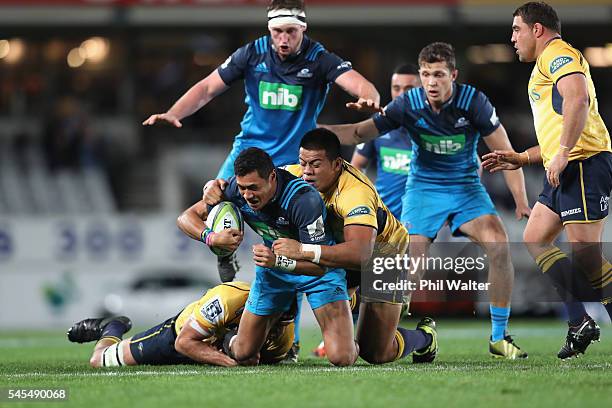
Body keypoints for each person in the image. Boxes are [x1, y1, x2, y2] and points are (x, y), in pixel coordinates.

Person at [143, 0, 381, 283]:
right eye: (277, 31)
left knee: (294, 230)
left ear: (303, 29)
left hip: (293, 161)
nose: (283, 39)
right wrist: (174, 112)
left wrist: (370, 97)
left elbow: (357, 83)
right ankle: (224, 252)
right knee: (214, 205)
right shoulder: (251, 54)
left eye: (291, 32)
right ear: (269, 29)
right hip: (247, 152)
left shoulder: (319, 59)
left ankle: (318, 280)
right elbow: (207, 88)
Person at [324, 42, 532, 359]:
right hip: (423, 189)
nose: (431, 82)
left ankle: (499, 337)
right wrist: (309, 129)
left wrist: (521, 200)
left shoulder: (474, 102)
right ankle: (381, 326)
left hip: (465, 187)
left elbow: (505, 154)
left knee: (499, 244)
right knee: (412, 268)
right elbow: (357, 134)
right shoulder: (408, 104)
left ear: (453, 75)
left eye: (438, 74)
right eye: (425, 74)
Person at [482, 1, 611, 359]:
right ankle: (579, 321)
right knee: (535, 237)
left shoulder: (558, 54)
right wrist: (522, 157)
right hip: (568, 165)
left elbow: (578, 98)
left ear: (537, 29)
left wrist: (565, 151)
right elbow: (557, 132)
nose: (512, 38)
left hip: (584, 163)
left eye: (516, 30)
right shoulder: (543, 64)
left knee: (587, 256)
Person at [178, 147, 358, 367]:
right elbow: (186, 217)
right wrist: (211, 238)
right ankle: (234, 335)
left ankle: (347, 312)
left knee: (342, 357)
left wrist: (278, 261)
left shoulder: (303, 201)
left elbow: (319, 268)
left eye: (254, 188)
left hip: (316, 269)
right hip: (275, 272)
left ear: (272, 176)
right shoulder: (234, 189)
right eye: (243, 188)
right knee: (243, 354)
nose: (247, 196)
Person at [273, 128, 438, 364]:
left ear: (337, 164)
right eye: (303, 163)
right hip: (342, 251)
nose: (307, 172)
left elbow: (361, 254)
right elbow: (257, 181)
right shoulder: (293, 175)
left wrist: (302, 251)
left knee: (377, 353)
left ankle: (425, 337)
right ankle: (346, 314)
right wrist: (217, 188)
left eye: (316, 165)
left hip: (384, 252)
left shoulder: (355, 193)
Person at [67, 282, 294, 367]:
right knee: (99, 360)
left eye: (280, 322)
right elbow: (185, 343)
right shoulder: (227, 299)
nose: (272, 329)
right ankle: (112, 326)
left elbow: (260, 358)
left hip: (215, 342)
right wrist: (230, 363)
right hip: (179, 335)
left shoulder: (282, 340)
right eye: (269, 318)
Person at [351, 63, 421, 219]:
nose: (401, 94)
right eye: (396, 88)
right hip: (384, 222)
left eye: (408, 89)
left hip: (422, 223)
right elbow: (356, 167)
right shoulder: (377, 124)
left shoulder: (438, 128)